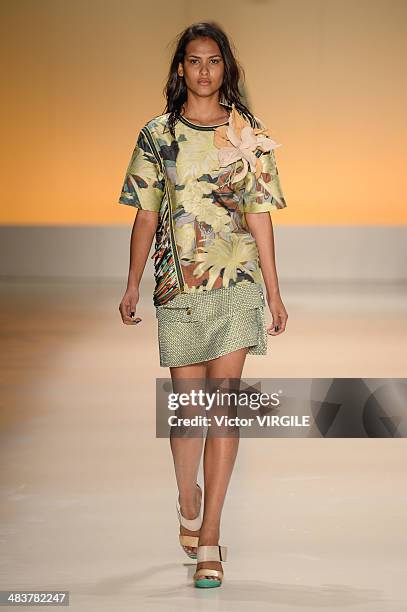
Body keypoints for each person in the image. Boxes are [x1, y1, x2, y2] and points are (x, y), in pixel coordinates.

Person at [118, 21, 288, 588]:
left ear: (226, 67)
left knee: (224, 408)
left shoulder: (249, 133)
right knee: (189, 411)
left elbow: (259, 213)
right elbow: (145, 214)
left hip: (235, 281)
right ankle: (187, 501)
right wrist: (132, 282)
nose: (204, 71)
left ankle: (210, 536)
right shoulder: (157, 135)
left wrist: (273, 288)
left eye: (213, 61)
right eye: (194, 61)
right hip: (178, 287)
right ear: (181, 69)